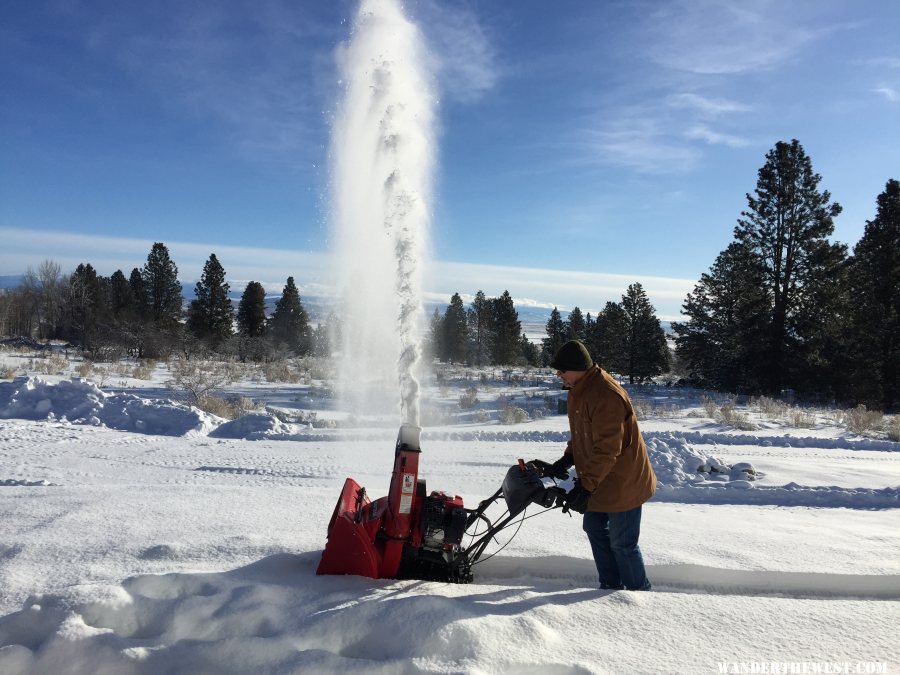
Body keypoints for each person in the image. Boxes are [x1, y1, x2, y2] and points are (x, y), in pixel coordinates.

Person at [536, 340, 656, 591]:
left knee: (623, 544)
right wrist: (568, 459)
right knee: (593, 526)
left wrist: (585, 487)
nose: (559, 375)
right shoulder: (578, 389)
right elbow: (583, 434)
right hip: (600, 476)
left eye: (562, 370)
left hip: (624, 481)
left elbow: (608, 448)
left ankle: (641, 596)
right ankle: (611, 587)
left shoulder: (605, 396)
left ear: (577, 368)